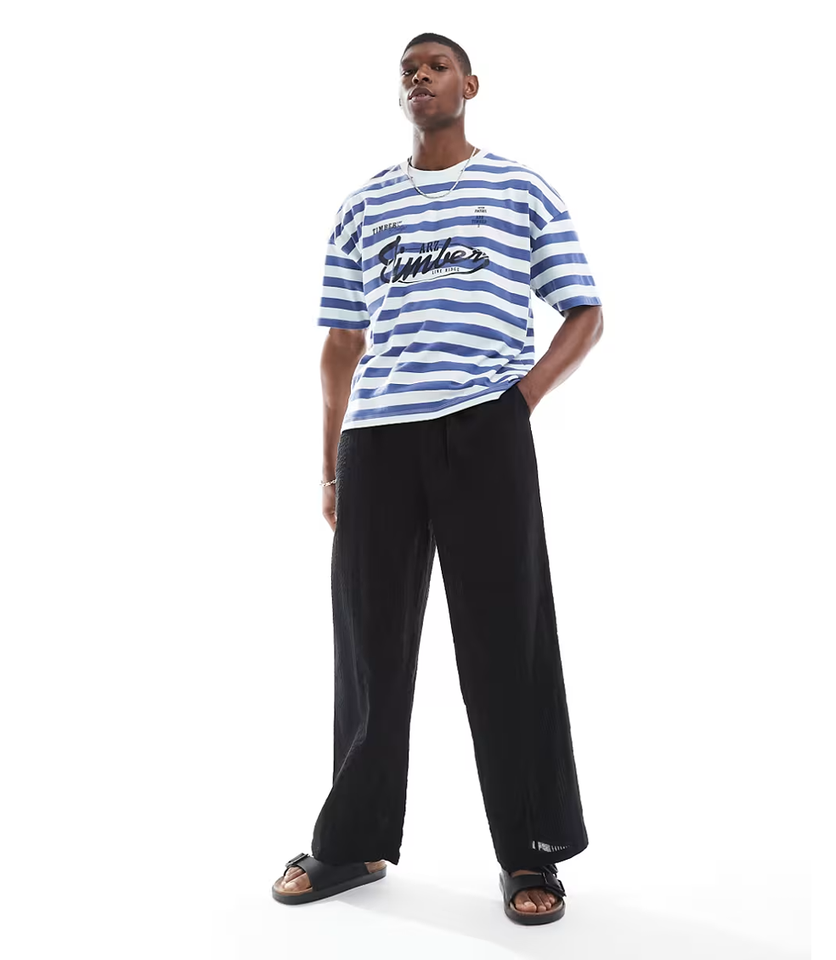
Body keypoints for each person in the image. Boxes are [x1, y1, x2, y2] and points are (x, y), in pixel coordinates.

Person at [272, 32, 604, 925]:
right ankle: (354, 842)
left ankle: (530, 851)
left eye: (437, 65)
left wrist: (518, 402)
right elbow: (341, 344)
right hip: (377, 442)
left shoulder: (519, 188)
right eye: (408, 69)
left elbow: (584, 311)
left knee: (506, 642)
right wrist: (329, 465)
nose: (420, 75)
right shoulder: (363, 205)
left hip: (484, 430)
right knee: (369, 648)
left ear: (470, 84)